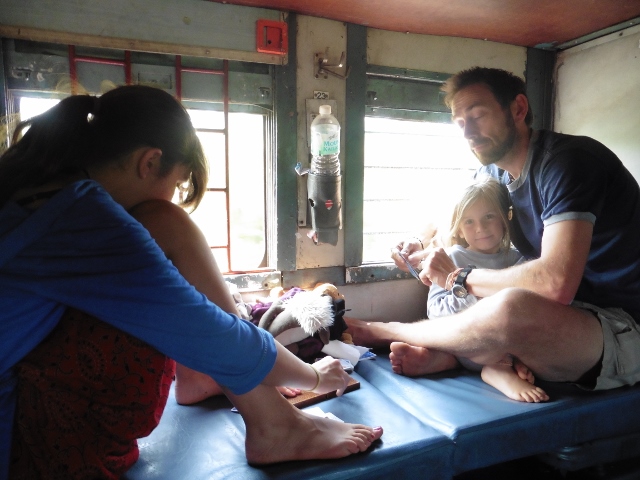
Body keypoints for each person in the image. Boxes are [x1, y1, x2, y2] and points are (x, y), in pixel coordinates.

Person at [0, 85, 382, 479]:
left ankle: (216, 384)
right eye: (179, 184)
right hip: (18, 441)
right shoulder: (84, 219)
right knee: (167, 223)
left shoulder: (36, 190)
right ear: (150, 162)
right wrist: (315, 375)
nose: (173, 197)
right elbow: (214, 335)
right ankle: (274, 424)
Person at [347, 66, 640, 397]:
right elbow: (457, 213)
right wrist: (418, 240)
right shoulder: (493, 173)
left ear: (517, 109)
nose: (468, 132)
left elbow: (555, 283)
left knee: (510, 306)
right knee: (496, 304)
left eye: (478, 115)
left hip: (623, 327)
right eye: (460, 123)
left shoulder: (568, 163)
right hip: (570, 318)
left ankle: (389, 330)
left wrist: (457, 278)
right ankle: (457, 357)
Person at [418, 175, 548, 402]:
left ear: (504, 219)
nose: (480, 228)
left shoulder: (519, 260)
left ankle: (507, 364)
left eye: (489, 216)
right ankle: (497, 368)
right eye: (469, 221)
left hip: (511, 341)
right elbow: (436, 312)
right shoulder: (452, 257)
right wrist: (468, 291)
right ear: (458, 228)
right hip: (471, 341)